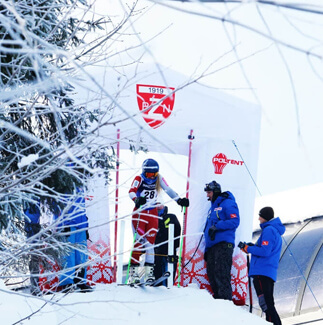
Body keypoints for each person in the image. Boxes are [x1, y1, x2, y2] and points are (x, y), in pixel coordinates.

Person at [128, 158, 189, 284]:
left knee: (151, 245)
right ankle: (133, 274)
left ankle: (149, 274)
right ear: (144, 172)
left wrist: (179, 200)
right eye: (149, 174)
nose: (152, 177)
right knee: (139, 243)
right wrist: (136, 200)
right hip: (140, 213)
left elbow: (168, 189)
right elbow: (131, 191)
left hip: (153, 215)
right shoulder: (139, 178)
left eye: (154, 174)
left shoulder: (159, 178)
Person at [238, 207, 285, 325]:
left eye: (261, 216)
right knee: (268, 303)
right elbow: (266, 248)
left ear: (266, 217)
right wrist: (252, 247)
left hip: (262, 272)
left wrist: (248, 248)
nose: (259, 218)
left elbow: (265, 251)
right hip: (267, 271)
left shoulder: (269, 230)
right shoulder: (275, 231)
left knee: (266, 304)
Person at [203, 180, 240, 300]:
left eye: (209, 192)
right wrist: (207, 249)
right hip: (213, 246)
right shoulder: (212, 208)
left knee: (221, 274)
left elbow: (235, 221)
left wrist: (217, 226)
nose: (207, 195)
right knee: (212, 274)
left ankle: (226, 304)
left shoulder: (227, 203)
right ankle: (219, 303)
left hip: (223, 245)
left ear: (216, 191)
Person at [55, 188, 92, 293]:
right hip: (68, 223)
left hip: (81, 224)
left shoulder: (80, 185)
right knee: (68, 255)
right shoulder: (63, 181)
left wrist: (86, 226)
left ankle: (80, 281)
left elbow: (82, 207)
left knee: (81, 255)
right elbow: (56, 205)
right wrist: (62, 222)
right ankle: (67, 282)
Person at [154, 205, 181, 286]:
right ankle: (157, 285)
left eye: (160, 204)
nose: (158, 207)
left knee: (168, 269)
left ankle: (168, 286)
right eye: (156, 204)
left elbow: (177, 230)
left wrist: (176, 246)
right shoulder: (151, 217)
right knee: (156, 268)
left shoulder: (171, 217)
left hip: (169, 249)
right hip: (156, 250)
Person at [24, 201, 42, 296]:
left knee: (36, 257)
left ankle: (37, 285)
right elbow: (28, 215)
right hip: (33, 229)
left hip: (37, 227)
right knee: (35, 257)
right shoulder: (30, 197)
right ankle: (35, 286)